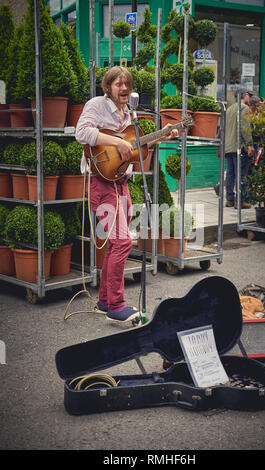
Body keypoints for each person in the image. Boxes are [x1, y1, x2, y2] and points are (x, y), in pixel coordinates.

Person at [75, 66, 178, 325]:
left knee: (115, 244)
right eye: (118, 84)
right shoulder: (97, 105)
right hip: (101, 182)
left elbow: (132, 148)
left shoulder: (128, 113)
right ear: (107, 87)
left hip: (121, 182)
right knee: (122, 243)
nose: (124, 88)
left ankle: (105, 300)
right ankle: (117, 306)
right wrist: (116, 142)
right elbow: (81, 133)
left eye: (127, 84)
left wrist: (164, 134)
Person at [224, 88, 254, 209]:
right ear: (245, 95)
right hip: (239, 146)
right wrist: (249, 144)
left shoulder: (229, 109)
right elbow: (244, 127)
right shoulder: (244, 108)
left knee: (231, 174)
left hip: (229, 146)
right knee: (241, 174)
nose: (250, 99)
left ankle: (230, 199)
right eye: (249, 96)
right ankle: (240, 201)